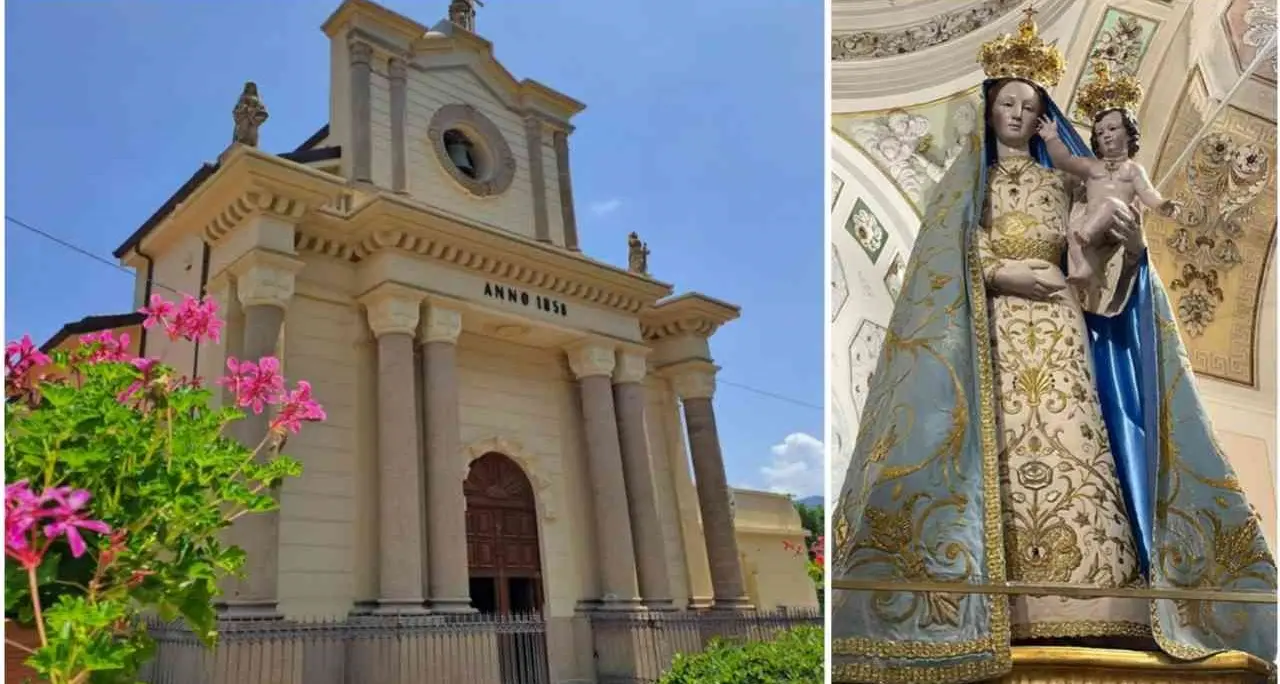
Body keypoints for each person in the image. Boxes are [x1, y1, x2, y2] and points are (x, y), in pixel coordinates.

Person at [831, 10, 1276, 684]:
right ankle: (996, 598)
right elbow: (940, 265)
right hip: (993, 341)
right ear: (987, 110)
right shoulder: (965, 190)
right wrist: (994, 271)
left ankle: (1099, 595)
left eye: (1029, 105)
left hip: (1062, 330)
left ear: (1043, 115)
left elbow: (1094, 280)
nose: (1015, 113)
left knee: (1075, 441)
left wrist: (1125, 248)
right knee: (999, 452)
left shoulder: (1062, 182)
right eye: (1007, 102)